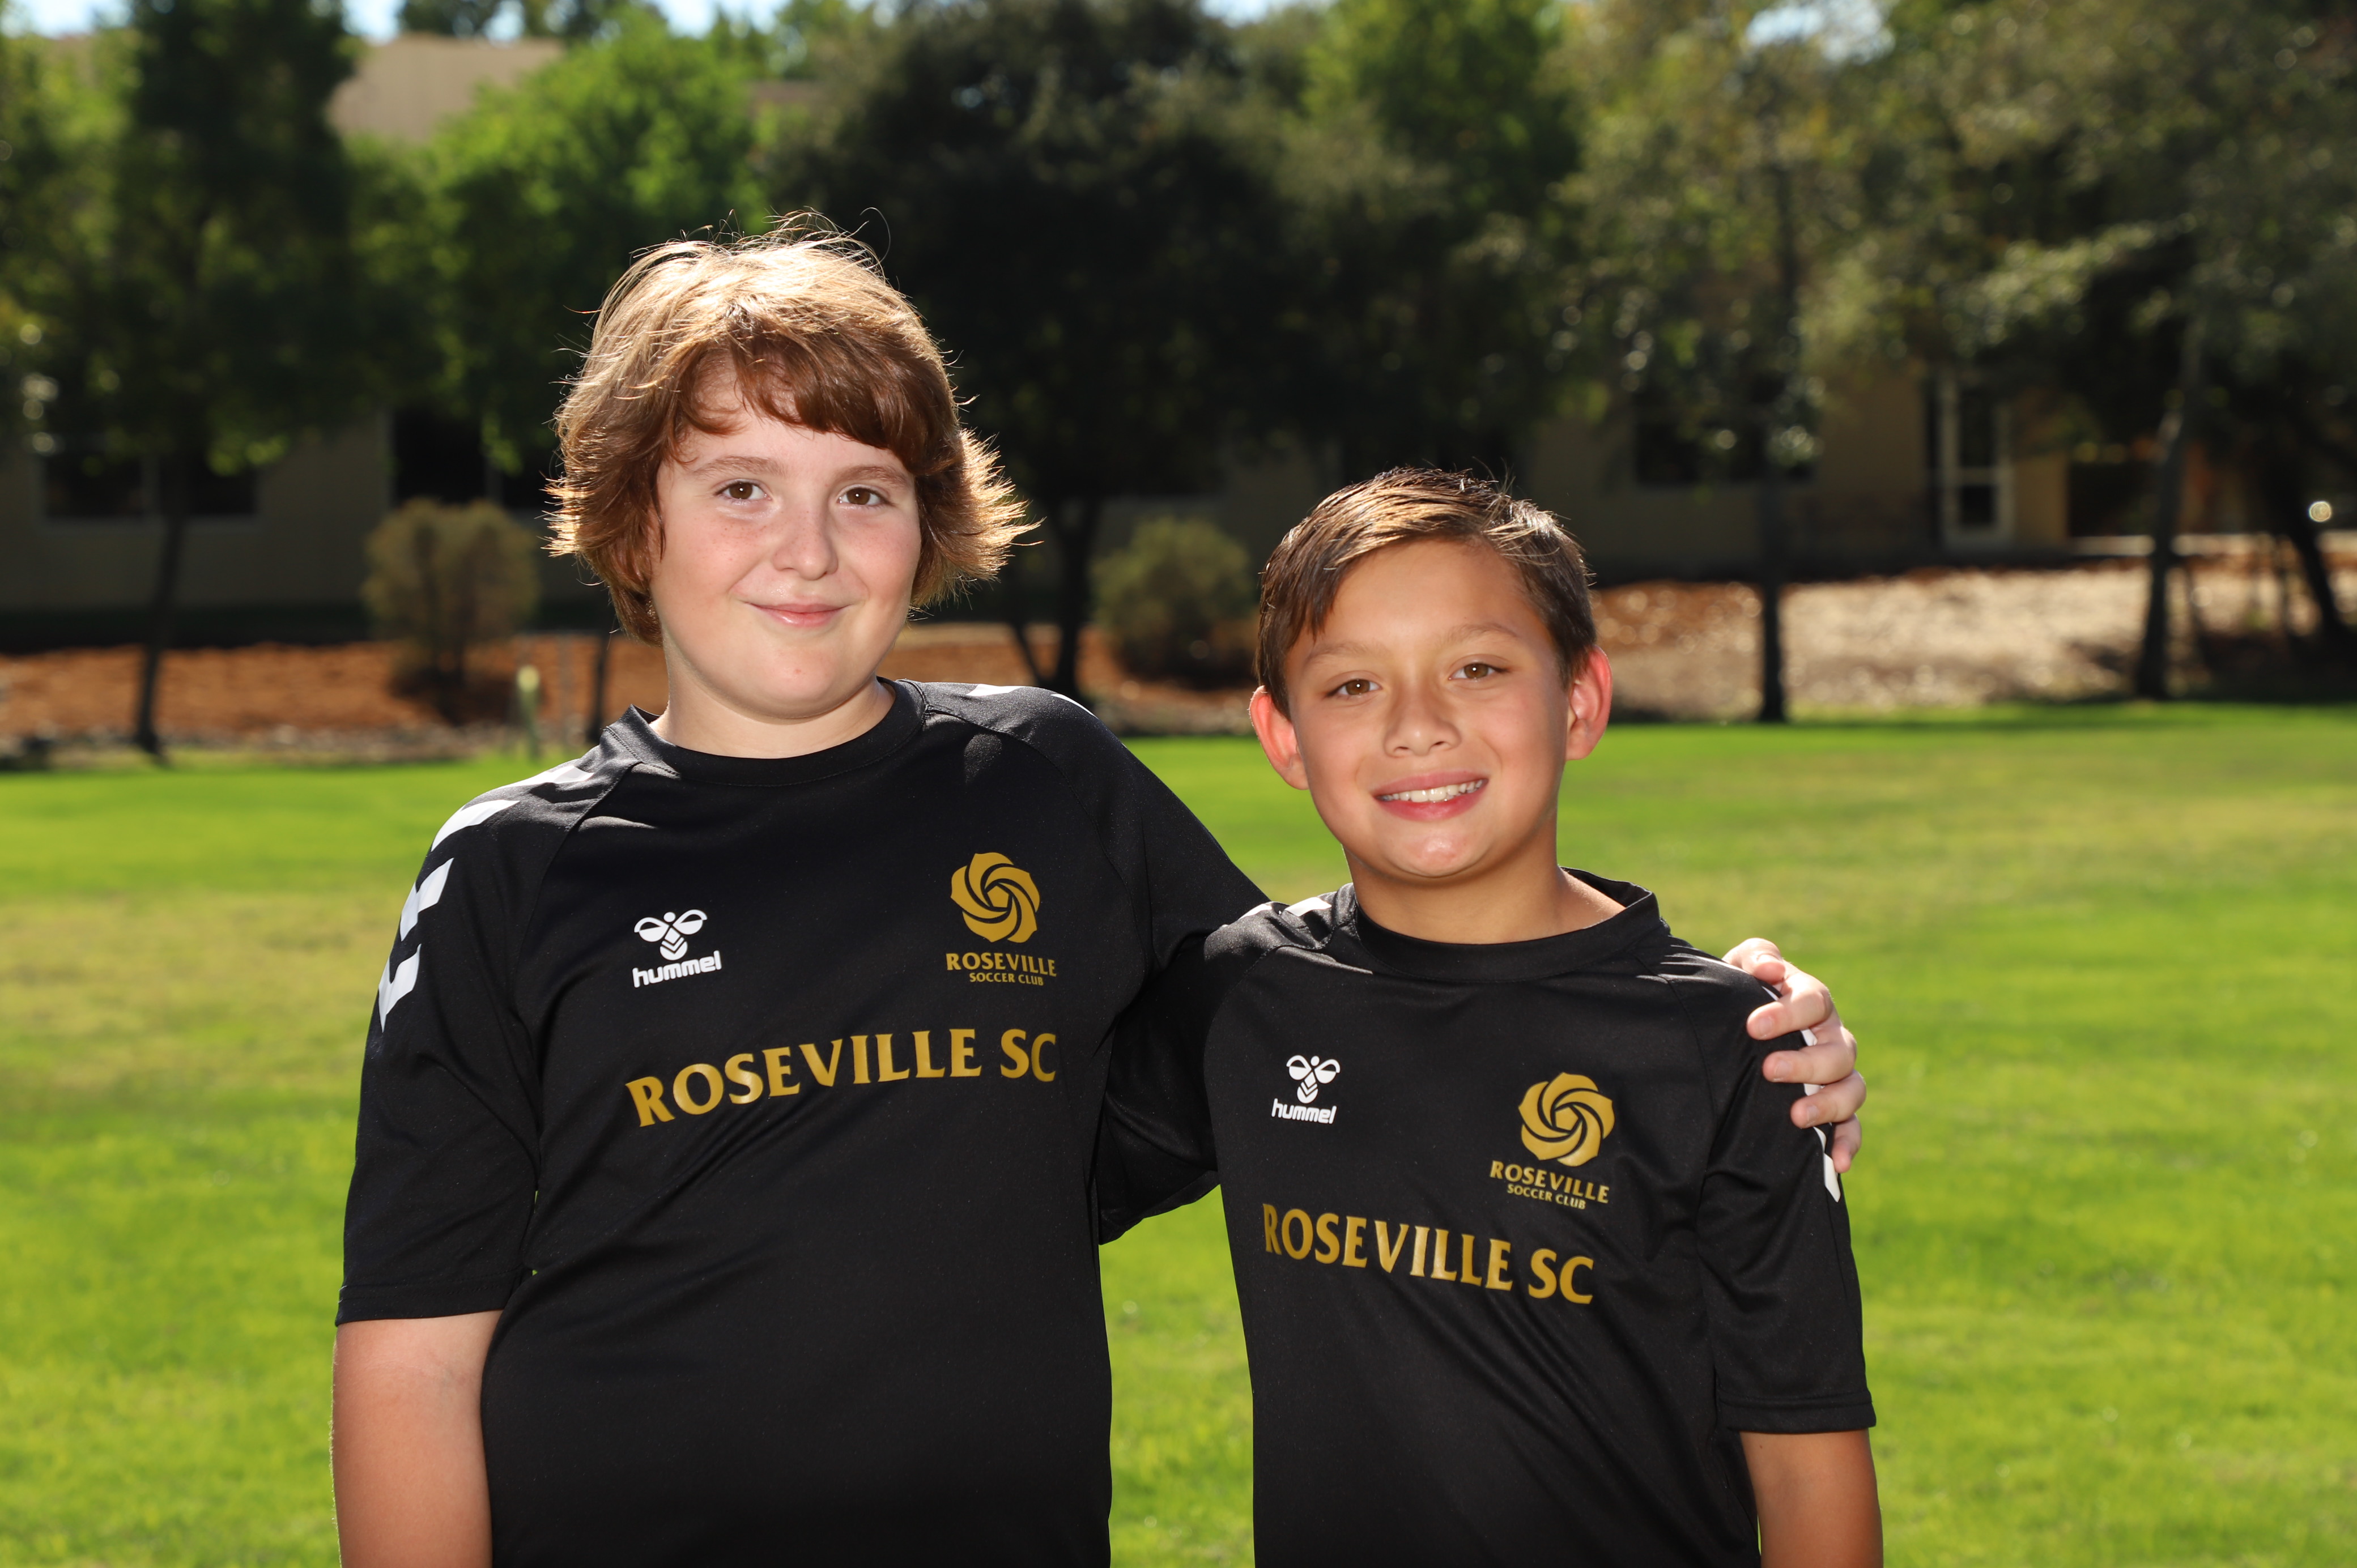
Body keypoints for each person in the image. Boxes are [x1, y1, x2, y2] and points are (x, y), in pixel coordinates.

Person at [330, 227, 1868, 1566]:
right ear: (631, 516)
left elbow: (1376, 999)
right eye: (742, 486)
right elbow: (413, 1356)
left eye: (864, 491)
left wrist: (1738, 1030)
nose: (808, 550)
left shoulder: (1041, 780)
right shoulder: (515, 870)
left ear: (927, 522)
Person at [1100, 470, 1882, 1566]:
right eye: (1352, 685)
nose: (1419, 727)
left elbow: (1806, 1469)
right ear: (1283, 739)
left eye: (1477, 669)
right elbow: (987, 1167)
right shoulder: (1243, 996)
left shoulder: (1728, 1050)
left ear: (1581, 700)